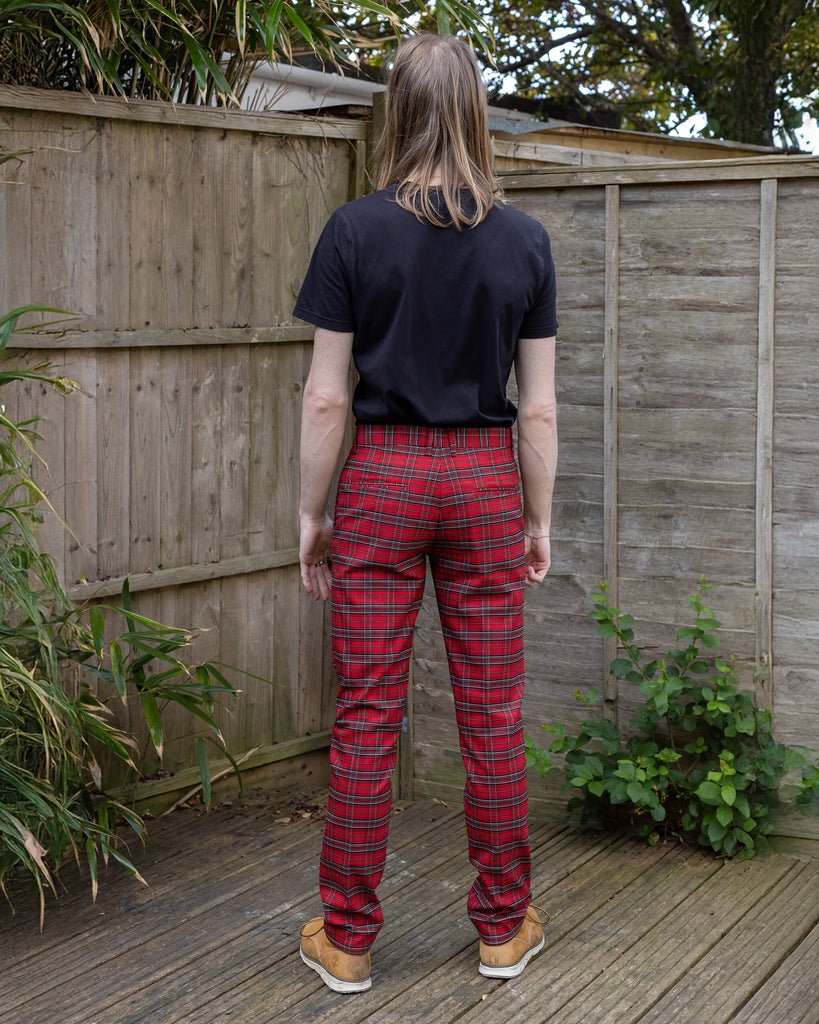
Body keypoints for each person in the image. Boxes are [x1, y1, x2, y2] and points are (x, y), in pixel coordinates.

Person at [293, 32, 558, 995]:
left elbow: (326, 398)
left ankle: (350, 939)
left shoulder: (352, 231)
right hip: (487, 481)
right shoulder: (524, 240)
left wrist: (310, 513)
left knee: (367, 713)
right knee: (491, 710)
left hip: (385, 480)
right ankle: (501, 930)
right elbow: (537, 405)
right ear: (477, 113)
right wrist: (536, 517)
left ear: (396, 111)